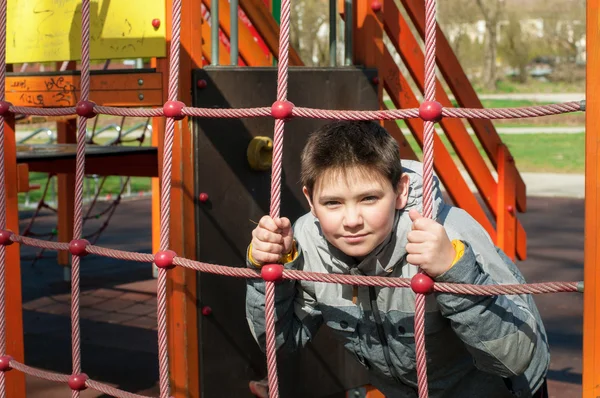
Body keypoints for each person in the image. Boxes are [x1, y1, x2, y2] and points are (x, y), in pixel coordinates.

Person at [245, 120, 549, 398]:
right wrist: (271, 272)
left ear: (400, 190)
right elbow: (278, 343)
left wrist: (455, 271)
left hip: (503, 390)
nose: (352, 220)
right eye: (333, 203)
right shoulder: (306, 242)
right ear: (311, 200)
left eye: (369, 198)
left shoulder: (451, 234)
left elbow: (515, 357)